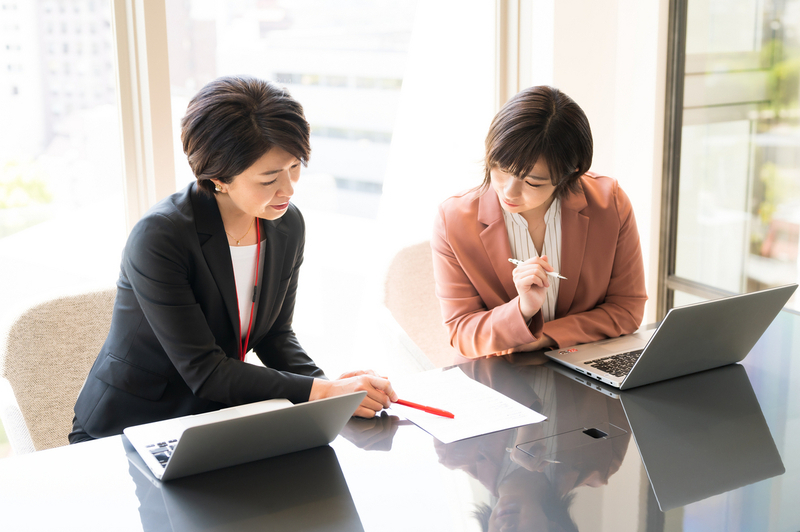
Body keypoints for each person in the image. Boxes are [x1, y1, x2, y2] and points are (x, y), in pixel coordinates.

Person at [70, 76, 396, 443]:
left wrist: (335, 391)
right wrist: (322, 392)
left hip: (215, 419)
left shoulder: (286, 224)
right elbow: (205, 371)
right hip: (128, 427)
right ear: (219, 178)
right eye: (269, 178)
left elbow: (275, 336)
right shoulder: (160, 236)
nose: (288, 188)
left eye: (294, 166)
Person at [432, 85, 647, 359]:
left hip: (585, 364)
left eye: (533, 182)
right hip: (498, 371)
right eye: (500, 169)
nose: (509, 192)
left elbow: (627, 309)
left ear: (572, 173)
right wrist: (522, 309)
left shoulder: (609, 204)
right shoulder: (453, 220)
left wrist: (545, 336)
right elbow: (461, 331)